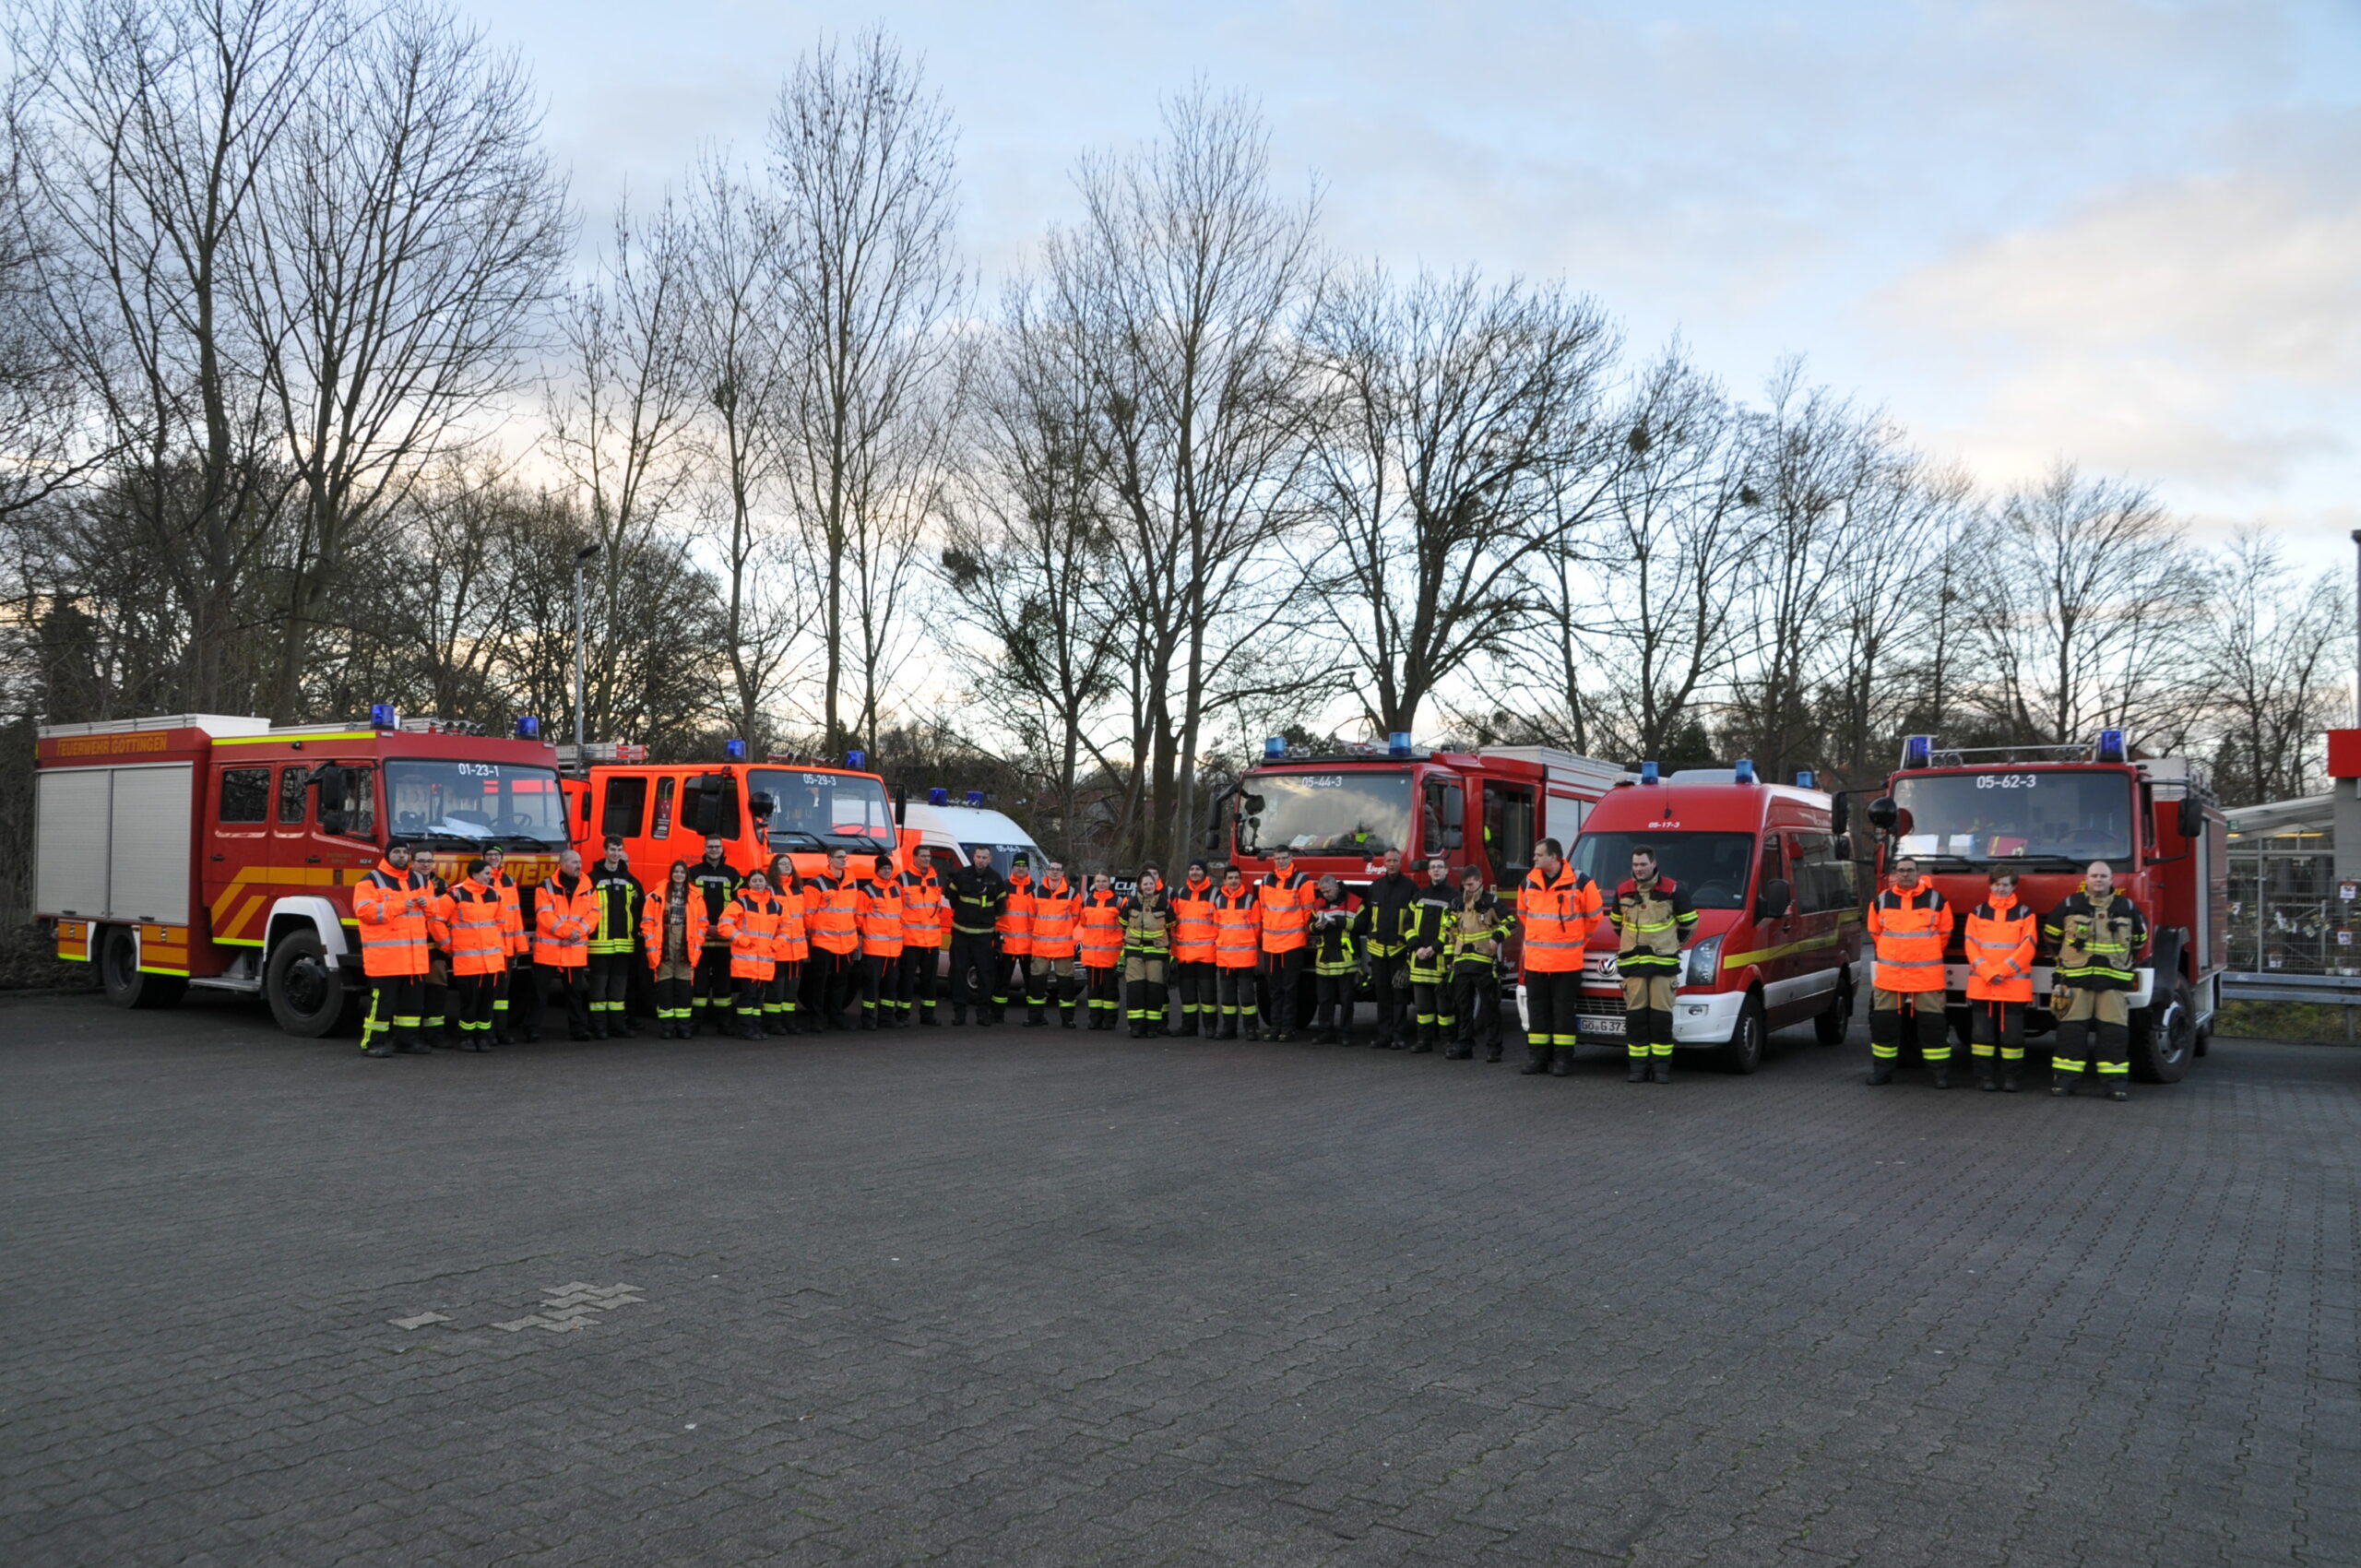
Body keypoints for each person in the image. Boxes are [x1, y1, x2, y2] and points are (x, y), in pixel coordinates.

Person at [2046, 861, 2147, 1101]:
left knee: (2114, 1035)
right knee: (2071, 1034)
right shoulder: (2070, 905)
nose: (2098, 880)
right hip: (2076, 981)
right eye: (2094, 876)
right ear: (2086, 880)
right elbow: (2051, 936)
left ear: (2111, 880)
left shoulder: (2127, 907)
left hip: (2113, 982)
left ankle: (2115, 1085)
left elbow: (2140, 939)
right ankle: (2064, 1083)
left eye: (2103, 876)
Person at [1521, 838, 1606, 1078]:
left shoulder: (1581, 882)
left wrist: (1576, 941)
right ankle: (1538, 1058)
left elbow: (1594, 917)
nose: (1535, 859)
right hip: (1536, 961)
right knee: (1537, 1013)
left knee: (1563, 1014)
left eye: (1539, 855)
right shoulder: (1528, 882)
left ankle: (1563, 1060)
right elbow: (1524, 914)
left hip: (1566, 962)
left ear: (1554, 857)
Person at [1608, 845, 1693, 1083]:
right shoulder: (1623, 891)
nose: (1639, 869)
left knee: (1660, 1020)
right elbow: (1616, 924)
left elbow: (1689, 924)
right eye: (1635, 864)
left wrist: (1671, 944)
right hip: (1634, 966)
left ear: (1653, 864)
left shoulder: (1673, 890)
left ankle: (1661, 1069)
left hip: (1662, 966)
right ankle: (1637, 1068)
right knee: (1635, 1019)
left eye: (1643, 864)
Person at [1868, 854, 1953, 1087]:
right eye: (1901, 870)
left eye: (1910, 870)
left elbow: (1945, 934)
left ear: (1918, 873)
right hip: (1891, 976)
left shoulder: (1936, 900)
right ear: (1895, 874)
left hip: (1926, 977)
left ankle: (1939, 1074)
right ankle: (1882, 1072)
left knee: (1933, 1026)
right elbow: (1875, 933)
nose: (1905, 874)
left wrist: (1921, 954)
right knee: (1884, 1025)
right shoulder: (1881, 900)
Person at [354, 839, 433, 1056]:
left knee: (412, 1006)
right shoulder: (370, 881)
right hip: (386, 958)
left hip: (414, 959)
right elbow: (364, 912)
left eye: (404, 852)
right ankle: (372, 1043)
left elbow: (435, 908)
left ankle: (406, 1042)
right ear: (388, 855)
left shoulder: (420, 879)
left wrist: (429, 904)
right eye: (396, 852)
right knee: (382, 1004)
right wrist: (398, 906)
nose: (401, 856)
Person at [1964, 868, 2035, 1092]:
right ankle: (1984, 1077)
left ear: (2014, 887)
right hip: (1983, 985)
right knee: (1981, 1038)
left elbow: (2028, 946)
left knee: (2013, 1038)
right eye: (1996, 884)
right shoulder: (1977, 912)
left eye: (2005, 884)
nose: (2000, 888)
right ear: (1990, 885)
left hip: (2013, 987)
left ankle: (2011, 1078)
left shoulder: (2025, 913)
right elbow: (1970, 945)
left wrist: (2001, 972)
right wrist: (1988, 972)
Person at [527, 848, 598, 1042]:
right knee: (539, 993)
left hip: (573, 950)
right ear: (563, 864)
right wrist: (568, 933)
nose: (579, 866)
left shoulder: (588, 887)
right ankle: (532, 1029)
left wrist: (576, 933)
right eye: (574, 862)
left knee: (575, 993)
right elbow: (544, 915)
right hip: (549, 952)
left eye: (579, 862)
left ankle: (578, 1029)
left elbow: (594, 914)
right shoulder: (546, 887)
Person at [440, 858, 507, 1051]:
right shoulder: (455, 894)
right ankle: (466, 1037)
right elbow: (437, 921)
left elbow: (500, 923)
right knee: (469, 1002)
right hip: (468, 961)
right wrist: (448, 945)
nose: (490, 877)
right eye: (486, 873)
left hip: (491, 962)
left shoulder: (495, 894)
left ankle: (483, 1037)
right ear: (475, 874)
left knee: (487, 1002)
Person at [1450, 866, 1513, 1063]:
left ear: (1479, 881)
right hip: (1461, 962)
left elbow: (1511, 922)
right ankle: (1464, 1046)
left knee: (1489, 1008)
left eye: (1470, 884)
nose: (1467, 888)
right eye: (1464, 885)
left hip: (1483, 962)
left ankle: (1494, 1049)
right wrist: (1449, 959)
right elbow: (1449, 932)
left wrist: (1497, 936)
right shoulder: (1456, 903)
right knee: (1463, 1007)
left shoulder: (1490, 902)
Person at [638, 861, 708, 1038]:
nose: (679, 875)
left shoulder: (696, 896)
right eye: (676, 872)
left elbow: (702, 923)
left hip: (686, 945)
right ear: (671, 874)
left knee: (684, 988)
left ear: (686, 875)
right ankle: (667, 1027)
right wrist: (651, 943)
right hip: (664, 944)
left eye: (682, 872)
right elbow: (647, 922)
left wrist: (698, 942)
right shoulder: (657, 895)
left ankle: (683, 1027)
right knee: (665, 988)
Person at [1359, 849, 1419, 1049]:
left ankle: (1398, 1036)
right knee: (1382, 995)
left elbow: (1414, 919)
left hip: (1398, 950)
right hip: (1377, 950)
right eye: (1388, 861)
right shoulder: (1375, 887)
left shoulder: (1410, 888)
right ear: (1383, 864)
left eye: (1395, 861)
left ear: (1400, 863)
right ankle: (1383, 1035)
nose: (1391, 864)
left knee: (1399, 995)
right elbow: (1369, 915)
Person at [586, 835, 644, 1040]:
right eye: (612, 849)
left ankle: (617, 1026)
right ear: (605, 851)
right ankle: (598, 1027)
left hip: (624, 946)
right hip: (598, 945)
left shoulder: (631, 881)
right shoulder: (591, 879)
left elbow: (639, 911)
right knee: (598, 990)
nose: (615, 854)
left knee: (618, 991)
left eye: (619, 850)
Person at [718, 868, 787, 1039]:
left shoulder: (776, 905)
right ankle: (745, 1029)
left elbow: (786, 929)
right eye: (754, 881)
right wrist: (742, 940)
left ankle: (755, 1027)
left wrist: (776, 945)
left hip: (765, 960)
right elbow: (724, 925)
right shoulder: (741, 903)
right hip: (746, 960)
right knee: (748, 996)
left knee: (758, 997)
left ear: (766, 883)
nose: (758, 883)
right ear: (748, 883)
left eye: (760, 880)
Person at [943, 845, 1007, 1026]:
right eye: (978, 857)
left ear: (990, 860)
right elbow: (952, 899)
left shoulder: (996, 879)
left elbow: (1001, 906)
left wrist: (986, 920)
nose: (981, 860)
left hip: (983, 937)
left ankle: (983, 1013)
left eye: (984, 858)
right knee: (958, 973)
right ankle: (959, 1013)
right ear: (974, 857)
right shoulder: (962, 875)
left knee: (984, 975)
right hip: (961, 934)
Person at [1256, 845, 1313, 1040]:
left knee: (1290, 988)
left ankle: (1287, 1029)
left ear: (1291, 859)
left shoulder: (1302, 881)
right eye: (1277, 858)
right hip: (1271, 944)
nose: (1280, 862)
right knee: (1274, 989)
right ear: (1273, 860)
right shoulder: (1266, 880)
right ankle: (1275, 1028)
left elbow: (1307, 912)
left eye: (1284, 858)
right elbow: (1263, 909)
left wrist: (1301, 934)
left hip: (1292, 943)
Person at [801, 848, 861, 1028]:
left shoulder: (851, 881)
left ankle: (837, 1016)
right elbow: (808, 915)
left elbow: (854, 911)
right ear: (829, 859)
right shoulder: (815, 884)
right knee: (819, 982)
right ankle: (817, 1019)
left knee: (841, 982)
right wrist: (812, 938)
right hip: (824, 942)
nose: (843, 860)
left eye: (845, 857)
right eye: (840, 857)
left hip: (847, 942)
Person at [1403, 857, 1458, 1053]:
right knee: (1423, 1008)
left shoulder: (1454, 898)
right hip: (1419, 960)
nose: (1436, 870)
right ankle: (1424, 1041)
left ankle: (1448, 1042)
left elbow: (1453, 928)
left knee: (1445, 1009)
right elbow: (1407, 923)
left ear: (1446, 871)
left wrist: (1434, 948)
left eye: (1440, 867)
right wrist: (1416, 947)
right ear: (1428, 872)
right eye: (1433, 867)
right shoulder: (1419, 896)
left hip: (1441, 961)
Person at [688, 836, 742, 1035]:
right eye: (710, 847)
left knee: (723, 987)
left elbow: (739, 905)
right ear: (704, 849)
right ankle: (695, 1024)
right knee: (699, 986)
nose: (714, 850)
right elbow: (689, 904)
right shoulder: (693, 872)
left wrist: (723, 927)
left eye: (717, 847)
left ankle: (724, 1024)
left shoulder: (733, 874)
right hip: (701, 939)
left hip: (724, 940)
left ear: (722, 849)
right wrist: (706, 926)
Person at [1306, 873, 1364, 1045]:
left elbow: (1362, 925)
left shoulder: (1355, 902)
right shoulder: (1319, 904)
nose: (1326, 895)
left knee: (1346, 1000)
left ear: (1336, 887)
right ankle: (1325, 1032)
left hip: (1346, 959)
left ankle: (1345, 1033)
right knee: (1325, 1000)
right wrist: (1316, 927)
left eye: (1328, 891)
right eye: (1323, 892)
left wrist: (1340, 921)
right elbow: (1309, 925)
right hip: (1325, 960)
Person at [1027, 861, 1083, 1027]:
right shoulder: (1036, 892)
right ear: (1047, 871)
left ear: (1063, 873)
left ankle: (1067, 1019)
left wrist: (1061, 930)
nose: (1054, 872)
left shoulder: (1072, 893)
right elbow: (1031, 917)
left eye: (1058, 870)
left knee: (1066, 984)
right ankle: (1035, 1018)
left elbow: (1076, 917)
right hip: (1041, 946)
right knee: (1037, 983)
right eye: (1052, 869)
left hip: (1062, 947)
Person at [855, 851, 906, 1030]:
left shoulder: (896, 889)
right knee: (871, 987)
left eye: (889, 868)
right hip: (874, 948)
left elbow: (900, 915)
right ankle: (868, 1019)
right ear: (877, 871)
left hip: (894, 949)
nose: (887, 871)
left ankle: (886, 1017)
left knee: (890, 987)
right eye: (883, 868)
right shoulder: (867, 891)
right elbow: (859, 918)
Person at [1211, 865, 1262, 1039]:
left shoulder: (1250, 900)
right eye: (1230, 878)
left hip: (1245, 958)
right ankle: (1229, 1029)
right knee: (1228, 998)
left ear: (1240, 880)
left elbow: (1257, 929)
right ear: (1224, 881)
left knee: (1247, 997)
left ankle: (1251, 1029)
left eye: (1236, 878)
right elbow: (1215, 928)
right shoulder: (1218, 901)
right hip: (1225, 958)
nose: (1233, 881)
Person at [1168, 860, 1218, 1035]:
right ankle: (1189, 1026)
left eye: (1198, 869)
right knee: (1187, 995)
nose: (1194, 872)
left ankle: (1210, 1027)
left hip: (1206, 954)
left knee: (1208, 995)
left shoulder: (1214, 894)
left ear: (1204, 872)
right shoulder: (1181, 893)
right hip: (1184, 954)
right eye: (1192, 869)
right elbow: (1174, 923)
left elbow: (1220, 924)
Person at [482, 845, 527, 1044]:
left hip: (507, 948)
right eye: (489, 855)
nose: (493, 858)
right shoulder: (481, 880)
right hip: (489, 948)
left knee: (502, 994)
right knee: (488, 992)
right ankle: (488, 1031)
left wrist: (520, 946)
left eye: (496, 855)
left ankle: (501, 1030)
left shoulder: (509, 880)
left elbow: (516, 914)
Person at [1122, 868, 1173, 1038]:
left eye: (1151, 883)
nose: (1149, 886)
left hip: (1156, 953)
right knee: (1135, 990)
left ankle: (1153, 1026)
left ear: (1155, 884)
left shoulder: (1164, 903)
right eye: (1145, 884)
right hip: (1134, 952)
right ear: (1140, 885)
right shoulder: (1130, 903)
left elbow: (1171, 925)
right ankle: (1136, 1026)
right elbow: (1123, 922)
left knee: (1155, 990)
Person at [898, 855, 947, 1026]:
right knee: (907, 980)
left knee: (930, 981)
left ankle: (927, 1015)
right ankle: (902, 1015)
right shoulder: (903, 878)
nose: (927, 859)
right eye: (923, 856)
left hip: (931, 941)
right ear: (915, 858)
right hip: (911, 940)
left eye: (928, 856)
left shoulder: (935, 879)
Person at [765, 854, 808, 1035]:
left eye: (789, 863)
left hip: (797, 949)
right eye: (782, 864)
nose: (787, 866)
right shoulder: (770, 890)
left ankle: (788, 1021)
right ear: (775, 867)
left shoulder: (797, 889)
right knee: (776, 989)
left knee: (792, 990)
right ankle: (773, 1023)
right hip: (779, 948)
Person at [1076, 873, 1125, 1029]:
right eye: (1098, 881)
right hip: (1091, 955)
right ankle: (1095, 1020)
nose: (1101, 884)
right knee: (1093, 991)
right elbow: (1083, 923)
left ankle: (1109, 1021)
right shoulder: (1087, 901)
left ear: (1109, 883)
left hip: (1110, 955)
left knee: (1110, 991)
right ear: (1094, 883)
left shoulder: (1118, 901)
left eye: (1104, 881)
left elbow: (1124, 925)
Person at [415, 853, 455, 1046]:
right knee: (412, 992)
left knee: (437, 989)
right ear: (412, 863)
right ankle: (410, 1034)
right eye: (421, 861)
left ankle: (434, 1034)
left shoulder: (441, 885)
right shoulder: (404, 884)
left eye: (429, 861)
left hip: (435, 946)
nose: (425, 865)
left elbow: (445, 915)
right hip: (410, 946)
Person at [993, 854, 1038, 1024]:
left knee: (1032, 983)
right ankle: (997, 1015)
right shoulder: (1004, 886)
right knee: (1001, 982)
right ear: (1012, 868)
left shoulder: (1035, 888)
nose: (1020, 868)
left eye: (1024, 866)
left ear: (1028, 868)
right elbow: (996, 911)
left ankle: (1035, 1016)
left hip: (1028, 945)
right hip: (1007, 943)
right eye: (1018, 865)